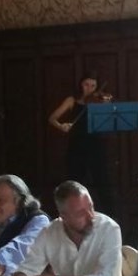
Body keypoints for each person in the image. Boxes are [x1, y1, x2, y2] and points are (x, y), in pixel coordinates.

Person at [6, 181, 123, 276]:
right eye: (81, 213)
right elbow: (28, 268)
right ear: (63, 216)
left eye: (91, 207)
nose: (90, 216)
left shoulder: (109, 229)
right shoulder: (49, 232)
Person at [48, 76, 115, 213]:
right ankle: (71, 213)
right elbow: (52, 118)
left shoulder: (100, 102)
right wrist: (62, 126)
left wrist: (107, 106)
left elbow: (110, 121)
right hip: (77, 146)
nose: (89, 89)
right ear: (81, 85)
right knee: (74, 182)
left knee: (103, 182)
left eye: (93, 86)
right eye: (86, 85)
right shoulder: (72, 100)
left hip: (97, 146)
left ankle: (110, 215)